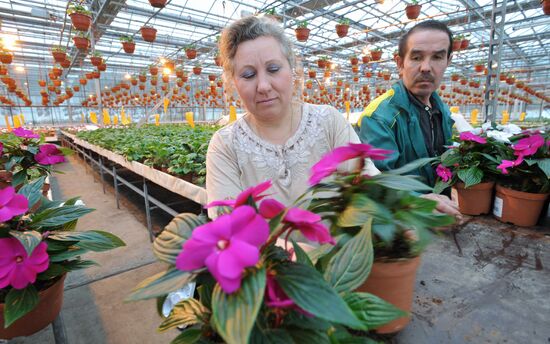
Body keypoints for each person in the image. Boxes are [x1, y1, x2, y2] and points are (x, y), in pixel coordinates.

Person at [206, 15, 378, 218]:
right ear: (233, 82)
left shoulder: (328, 121)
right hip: (265, 251)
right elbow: (230, 227)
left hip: (343, 249)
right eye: (248, 75)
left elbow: (370, 190)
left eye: (273, 69)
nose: (263, 86)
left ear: (292, 70)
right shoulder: (226, 145)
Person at [357, 20, 461, 217]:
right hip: (404, 220)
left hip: (441, 214)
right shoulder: (379, 117)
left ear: (448, 61)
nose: (425, 67)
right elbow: (377, 181)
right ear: (400, 63)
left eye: (437, 57)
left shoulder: (443, 111)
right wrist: (416, 200)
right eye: (416, 57)